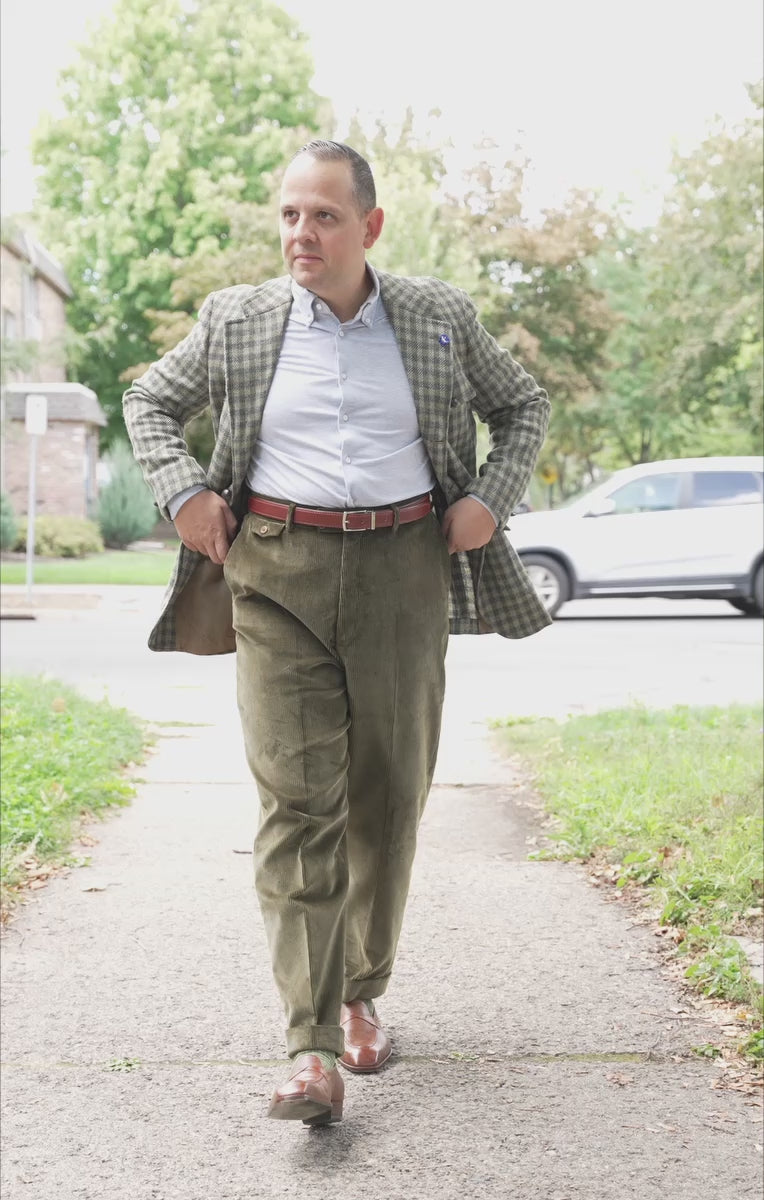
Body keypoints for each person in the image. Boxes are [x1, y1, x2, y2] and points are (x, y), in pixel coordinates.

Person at [123, 140, 551, 1128]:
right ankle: (309, 1044)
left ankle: (360, 990)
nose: (299, 235)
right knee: (296, 803)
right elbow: (150, 400)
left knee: (386, 798)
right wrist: (183, 491)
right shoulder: (237, 319)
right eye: (286, 215)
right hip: (275, 572)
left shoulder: (435, 318)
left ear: (369, 226)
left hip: (404, 571)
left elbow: (521, 405)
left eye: (320, 216)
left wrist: (487, 498)